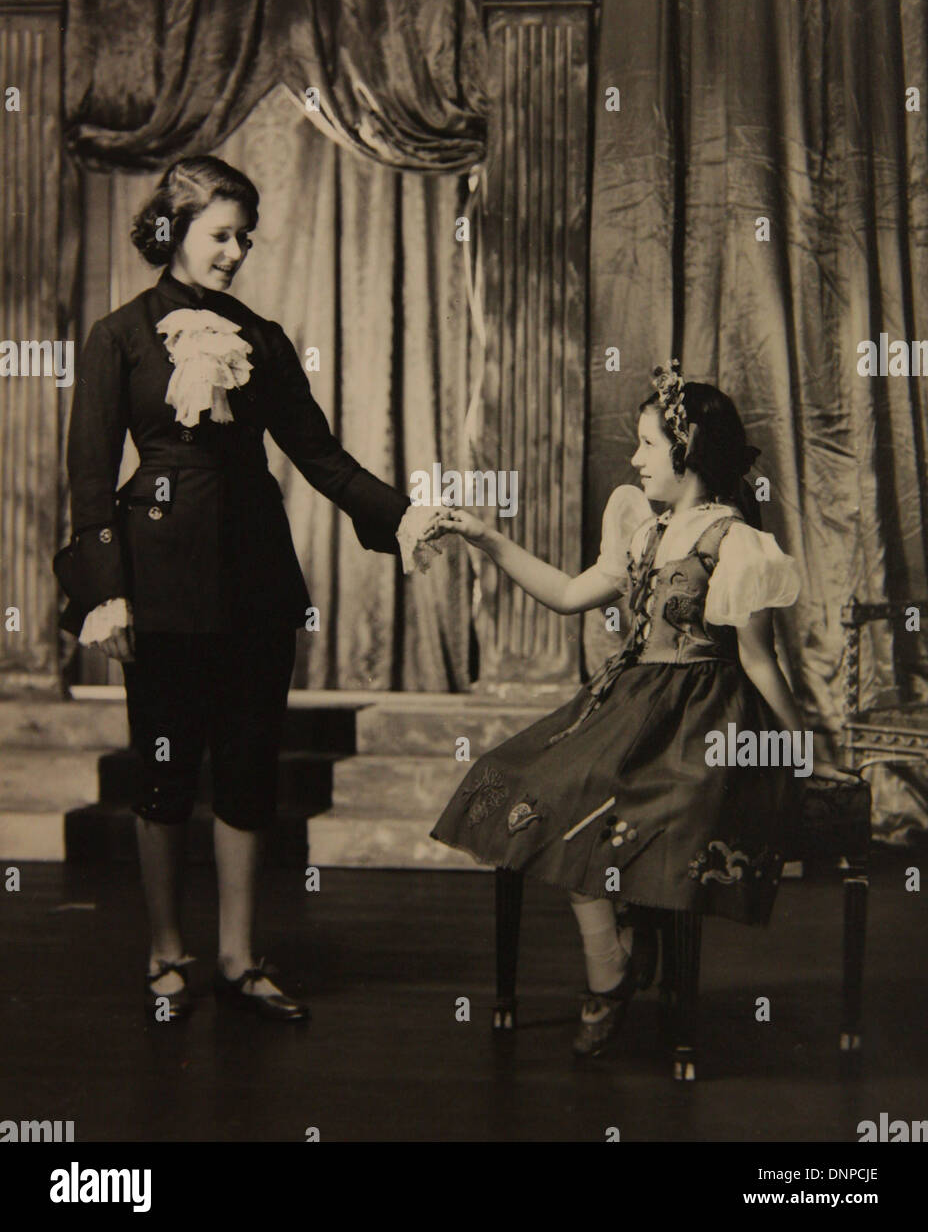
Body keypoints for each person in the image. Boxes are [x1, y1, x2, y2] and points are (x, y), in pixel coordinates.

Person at [55, 155, 441, 1023]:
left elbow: (321, 456)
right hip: (156, 587)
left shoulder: (261, 339)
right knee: (163, 770)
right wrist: (104, 593)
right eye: (220, 235)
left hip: (258, 582)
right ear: (175, 229)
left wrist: (407, 516)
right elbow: (88, 482)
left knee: (247, 768)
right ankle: (165, 951)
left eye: (244, 238)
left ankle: (238, 957)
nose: (235, 252)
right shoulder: (117, 337)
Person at [430, 360, 857, 1058]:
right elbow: (569, 593)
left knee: (658, 809)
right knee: (539, 787)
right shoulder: (644, 531)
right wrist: (489, 539)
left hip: (704, 716)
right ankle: (611, 962)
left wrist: (803, 751)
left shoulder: (737, 543)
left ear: (685, 453)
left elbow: (758, 660)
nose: (634, 459)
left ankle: (634, 938)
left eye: (647, 445)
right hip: (631, 700)